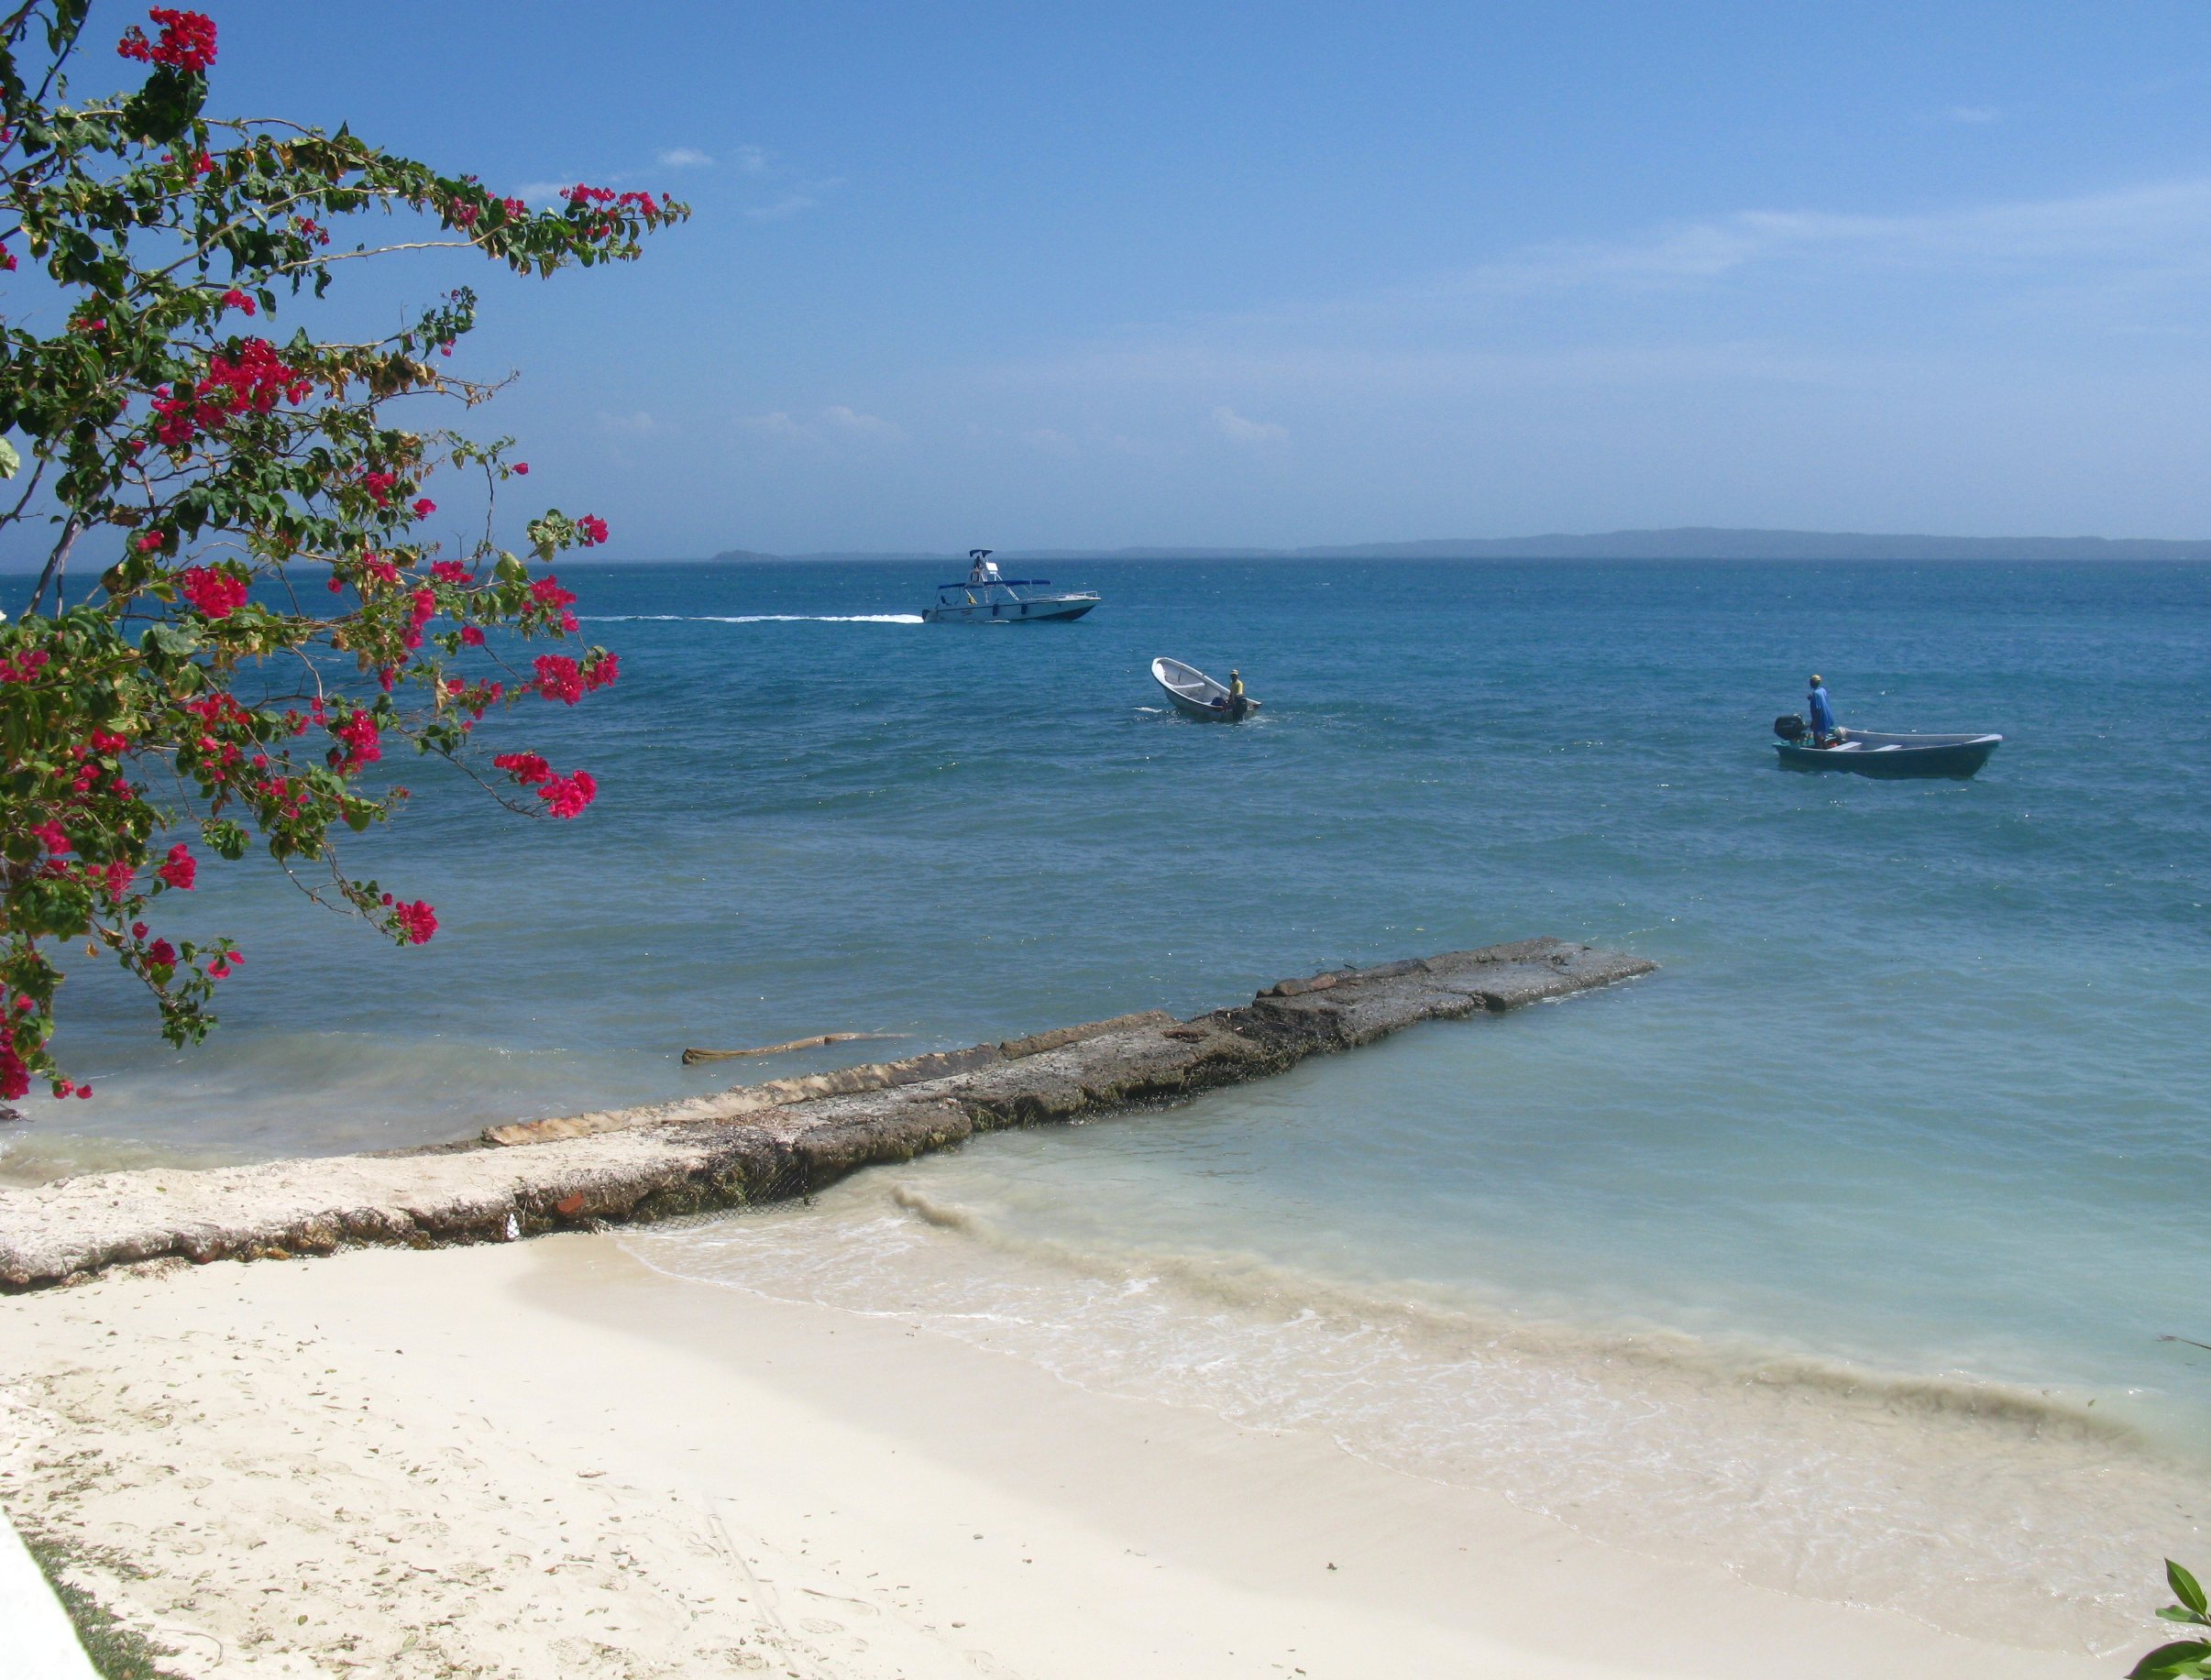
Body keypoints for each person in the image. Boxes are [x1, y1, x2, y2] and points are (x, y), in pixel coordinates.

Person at [1807, 674, 1840, 745]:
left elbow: (1817, 710)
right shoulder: (1822, 690)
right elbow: (1822, 700)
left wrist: (1814, 722)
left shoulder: (1815, 693)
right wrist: (1812, 698)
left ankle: (1821, 750)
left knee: (1818, 738)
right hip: (1827, 716)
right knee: (1823, 736)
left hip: (1820, 719)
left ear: (1813, 683)